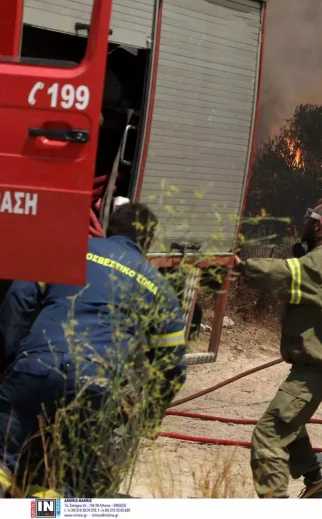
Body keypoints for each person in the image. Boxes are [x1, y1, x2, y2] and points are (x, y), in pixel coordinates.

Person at [0, 203, 186, 498]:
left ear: (107, 227)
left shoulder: (66, 250)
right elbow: (172, 365)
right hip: (95, 385)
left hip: (35, 366)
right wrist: (150, 414)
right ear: (148, 241)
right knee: (65, 479)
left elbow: (19, 297)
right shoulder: (158, 287)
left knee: (5, 457)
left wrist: (8, 357)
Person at [238, 198, 322, 499]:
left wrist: (241, 267)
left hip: (320, 366)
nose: (304, 223)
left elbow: (283, 274)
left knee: (269, 434)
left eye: (309, 218)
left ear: (318, 225)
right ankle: (316, 485)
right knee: (292, 420)